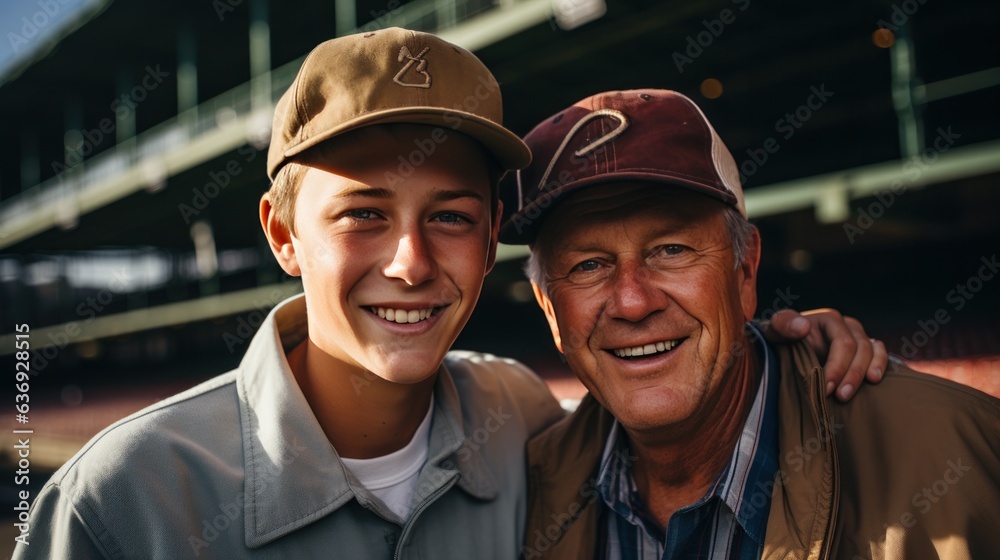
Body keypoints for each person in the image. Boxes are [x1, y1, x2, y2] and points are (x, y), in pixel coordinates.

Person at [15, 32, 883, 559]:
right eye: (362, 214)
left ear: (493, 231)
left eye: (452, 217)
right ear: (283, 236)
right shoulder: (121, 501)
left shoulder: (525, 421)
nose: (410, 262)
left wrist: (787, 350)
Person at [502, 89, 1000, 559]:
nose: (632, 303)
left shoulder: (962, 454)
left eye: (671, 250)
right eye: (588, 265)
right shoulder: (526, 490)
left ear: (744, 273)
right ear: (550, 309)